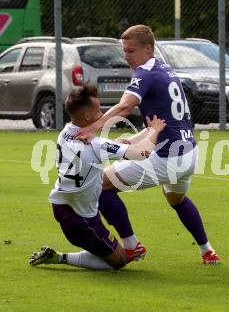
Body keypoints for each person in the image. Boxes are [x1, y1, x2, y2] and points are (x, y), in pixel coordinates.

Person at [74, 25, 220, 265]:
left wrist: (91, 128)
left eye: (130, 51)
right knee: (176, 200)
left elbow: (125, 106)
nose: (126, 56)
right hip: (189, 155)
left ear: (148, 48)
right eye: (124, 51)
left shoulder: (145, 73)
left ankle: (131, 246)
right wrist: (132, 141)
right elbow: (160, 123)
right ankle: (207, 250)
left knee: (99, 185)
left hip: (167, 158)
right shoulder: (166, 70)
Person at [29, 84, 166, 270]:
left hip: (62, 206)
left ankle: (112, 248)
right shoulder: (97, 145)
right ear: (87, 116)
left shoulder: (65, 133)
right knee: (119, 261)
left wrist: (115, 144)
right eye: (98, 110)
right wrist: (155, 130)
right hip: (82, 219)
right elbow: (142, 153)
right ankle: (59, 257)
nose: (102, 114)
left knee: (114, 251)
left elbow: (95, 150)